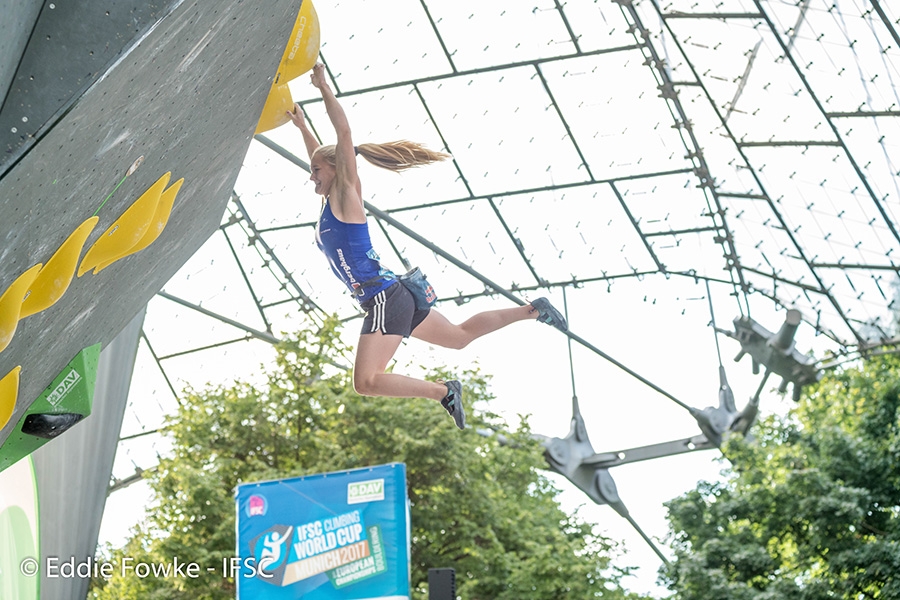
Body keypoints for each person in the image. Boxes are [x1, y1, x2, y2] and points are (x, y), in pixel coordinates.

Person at [287, 63, 567, 431]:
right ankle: (533, 310)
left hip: (384, 297)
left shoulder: (345, 195)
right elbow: (323, 154)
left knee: (366, 382)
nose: (311, 178)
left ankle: (442, 392)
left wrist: (324, 87)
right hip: (395, 294)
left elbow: (342, 134)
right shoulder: (330, 199)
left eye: (316, 172)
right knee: (458, 338)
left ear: (337, 169)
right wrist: (303, 127)